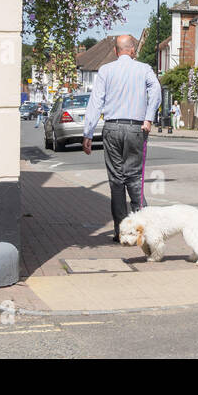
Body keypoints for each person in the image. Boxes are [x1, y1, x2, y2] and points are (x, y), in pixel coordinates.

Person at [83, 34, 161, 241]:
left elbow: (96, 102)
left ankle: (121, 232)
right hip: (136, 128)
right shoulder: (144, 69)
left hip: (112, 128)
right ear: (133, 50)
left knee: (117, 182)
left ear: (116, 52)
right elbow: (156, 91)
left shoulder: (106, 70)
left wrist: (88, 133)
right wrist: (148, 118)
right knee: (135, 178)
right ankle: (143, 230)